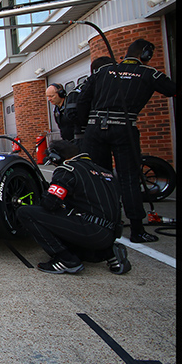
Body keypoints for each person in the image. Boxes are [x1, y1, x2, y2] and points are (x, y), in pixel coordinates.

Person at [77, 39, 177, 243]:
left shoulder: (102, 71)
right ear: (146, 55)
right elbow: (171, 89)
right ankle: (137, 231)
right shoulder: (149, 74)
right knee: (129, 178)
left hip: (95, 130)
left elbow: (82, 101)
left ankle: (104, 223)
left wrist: (84, 128)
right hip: (124, 129)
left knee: (99, 177)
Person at [17, 140, 129, 275]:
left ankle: (65, 260)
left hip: (90, 231)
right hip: (110, 234)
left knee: (26, 212)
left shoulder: (67, 170)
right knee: (80, 241)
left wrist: (48, 192)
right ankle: (109, 253)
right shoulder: (104, 172)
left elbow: (49, 205)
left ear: (55, 157)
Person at [65, 56, 116, 145]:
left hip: (107, 137)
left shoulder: (110, 90)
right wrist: (92, 123)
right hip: (84, 139)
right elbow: (72, 114)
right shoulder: (78, 91)